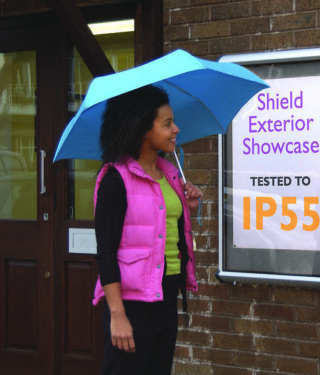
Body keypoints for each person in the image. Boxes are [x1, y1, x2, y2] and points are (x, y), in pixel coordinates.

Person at [92, 85, 203, 375]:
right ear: (143, 130)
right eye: (167, 124)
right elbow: (105, 253)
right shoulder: (116, 179)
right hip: (131, 303)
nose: (176, 129)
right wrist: (117, 315)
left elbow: (165, 228)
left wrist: (190, 208)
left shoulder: (170, 173)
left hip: (166, 295)